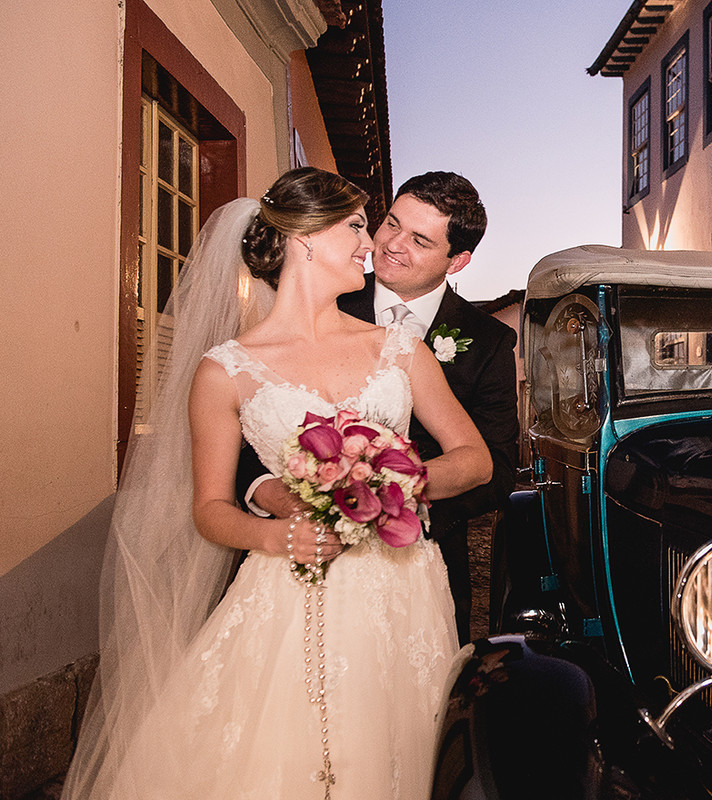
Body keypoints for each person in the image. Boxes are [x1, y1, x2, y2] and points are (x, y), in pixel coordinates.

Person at [63, 167, 491, 799]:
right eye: (355, 227)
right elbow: (209, 507)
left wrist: (391, 482)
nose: (370, 244)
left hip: (402, 588)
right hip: (287, 590)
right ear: (305, 239)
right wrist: (275, 537)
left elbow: (475, 460)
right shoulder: (224, 371)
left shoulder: (401, 349)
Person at [240, 171, 518, 645]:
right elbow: (257, 420)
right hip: (302, 551)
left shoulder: (489, 341)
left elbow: (498, 465)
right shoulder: (324, 293)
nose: (389, 244)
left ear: (457, 261)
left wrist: (394, 509)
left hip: (420, 558)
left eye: (420, 240)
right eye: (391, 223)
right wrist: (285, 501)